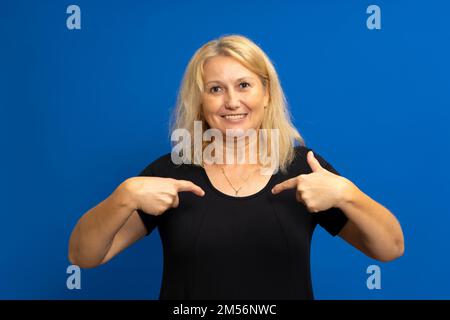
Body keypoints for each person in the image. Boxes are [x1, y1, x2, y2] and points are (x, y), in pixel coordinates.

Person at [68, 34, 404, 300]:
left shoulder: (305, 169)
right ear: (200, 101)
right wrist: (123, 196)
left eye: (244, 85)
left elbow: (390, 248)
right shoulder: (171, 172)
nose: (231, 102)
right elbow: (84, 256)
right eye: (215, 89)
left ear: (266, 93)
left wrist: (348, 194)